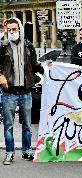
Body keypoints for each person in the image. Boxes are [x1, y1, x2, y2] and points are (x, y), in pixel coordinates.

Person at [0, 17, 44, 165]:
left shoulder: (28, 46)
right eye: (9, 29)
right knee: (8, 125)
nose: (12, 32)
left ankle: (26, 152)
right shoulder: (3, 46)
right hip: (9, 93)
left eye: (15, 29)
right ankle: (9, 153)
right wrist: (0, 76)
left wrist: (48, 68)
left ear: (20, 29)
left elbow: (34, 65)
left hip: (26, 92)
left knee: (27, 124)